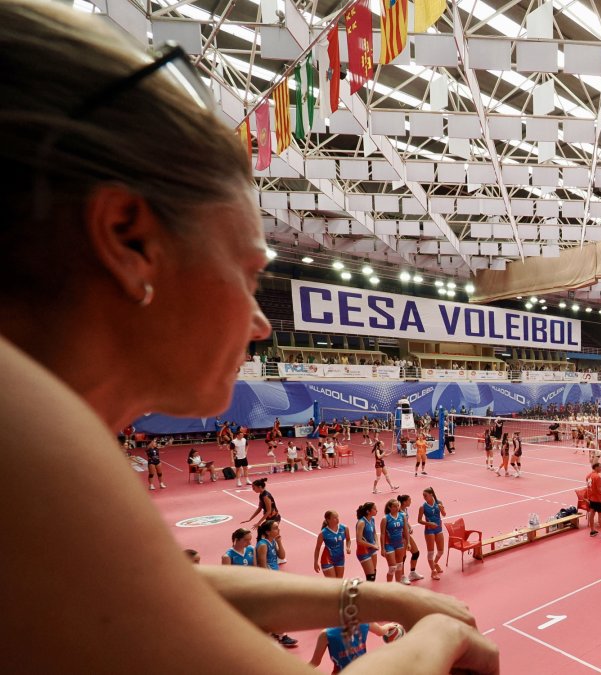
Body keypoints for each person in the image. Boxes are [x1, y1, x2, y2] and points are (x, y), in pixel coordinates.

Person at [0, 3, 494, 667]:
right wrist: (441, 636)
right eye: (249, 271)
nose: (261, 323)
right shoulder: (23, 436)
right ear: (129, 238)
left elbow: (169, 591)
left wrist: (375, 596)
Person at [254, 521, 299, 648]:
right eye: (275, 528)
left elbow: (282, 556)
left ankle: (275, 633)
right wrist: (268, 581)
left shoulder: (272, 542)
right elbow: (262, 565)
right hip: (269, 578)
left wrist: (279, 542)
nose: (278, 530)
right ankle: (281, 635)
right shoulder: (263, 545)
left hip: (275, 575)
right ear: (267, 532)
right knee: (277, 608)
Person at [310, 621, 405, 672]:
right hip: (361, 670)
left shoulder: (326, 634)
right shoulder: (366, 622)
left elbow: (315, 663)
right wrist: (388, 626)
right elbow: (381, 631)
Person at [242, 478, 282, 559]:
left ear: (259, 487)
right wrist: (250, 519)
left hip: (274, 518)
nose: (253, 489)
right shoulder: (261, 495)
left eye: (254, 487)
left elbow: (268, 511)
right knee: (265, 535)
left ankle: (279, 556)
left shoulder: (266, 496)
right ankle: (265, 553)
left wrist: (259, 523)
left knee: (273, 536)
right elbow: (259, 508)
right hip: (269, 519)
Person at [417, 488, 447, 579]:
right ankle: (433, 571)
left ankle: (435, 563)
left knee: (441, 551)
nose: (424, 497)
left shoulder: (439, 502)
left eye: (425, 495)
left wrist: (442, 509)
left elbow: (444, 514)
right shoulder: (423, 507)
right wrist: (429, 523)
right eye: (423, 495)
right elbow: (419, 520)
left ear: (431, 495)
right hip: (429, 530)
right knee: (431, 552)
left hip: (439, 528)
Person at [314, 511, 349, 579]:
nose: (337, 519)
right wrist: (315, 562)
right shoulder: (323, 533)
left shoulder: (344, 528)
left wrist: (348, 547)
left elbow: (348, 540)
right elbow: (317, 548)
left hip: (340, 559)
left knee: (339, 582)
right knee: (333, 583)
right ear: (328, 519)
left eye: (337, 517)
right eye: (335, 518)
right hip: (327, 559)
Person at [355, 502, 381, 582]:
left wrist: (377, 543)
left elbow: (374, 533)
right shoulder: (361, 522)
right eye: (374, 509)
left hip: (372, 550)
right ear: (368, 511)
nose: (377, 510)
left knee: (373, 573)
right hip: (363, 551)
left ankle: (369, 588)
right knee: (370, 576)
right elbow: (359, 541)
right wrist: (372, 545)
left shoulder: (372, 519)